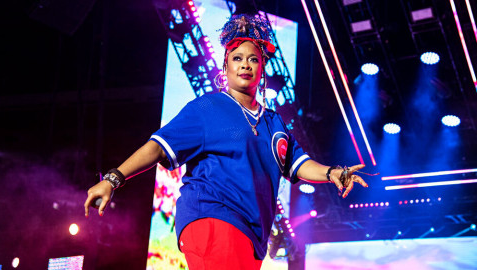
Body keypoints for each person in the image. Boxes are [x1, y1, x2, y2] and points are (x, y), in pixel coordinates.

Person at [84, 14, 369, 270]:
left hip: (251, 233)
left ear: (262, 68)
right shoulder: (208, 108)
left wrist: (334, 173)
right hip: (213, 217)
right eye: (237, 58)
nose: (246, 64)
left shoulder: (273, 122)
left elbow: (299, 164)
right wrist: (113, 178)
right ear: (226, 66)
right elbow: (159, 146)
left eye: (253, 59)